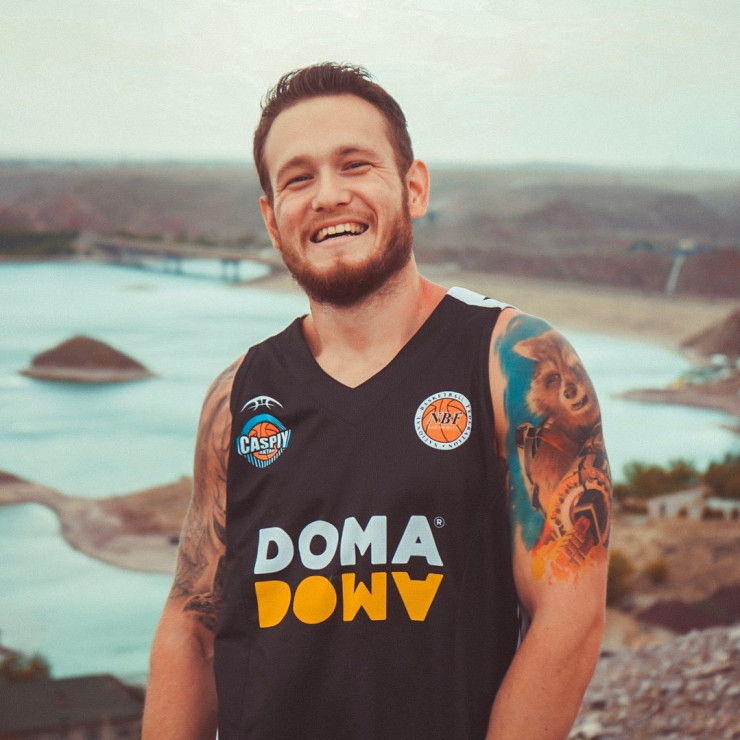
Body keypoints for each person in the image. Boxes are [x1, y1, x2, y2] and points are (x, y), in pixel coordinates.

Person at [143, 63, 611, 740]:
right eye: (297, 179)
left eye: (355, 165)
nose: (329, 196)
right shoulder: (237, 396)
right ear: (272, 220)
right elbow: (192, 625)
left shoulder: (518, 364)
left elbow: (569, 618)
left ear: (413, 187)